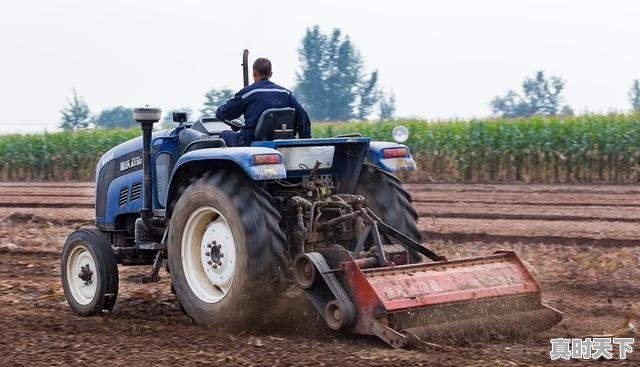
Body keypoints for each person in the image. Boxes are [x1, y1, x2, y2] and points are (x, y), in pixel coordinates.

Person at [215, 58, 311, 147]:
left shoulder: (247, 93)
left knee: (224, 135)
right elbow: (302, 116)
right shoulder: (286, 93)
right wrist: (305, 141)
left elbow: (227, 112)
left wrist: (219, 112)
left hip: (250, 142)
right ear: (270, 74)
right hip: (280, 143)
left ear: (254, 74)